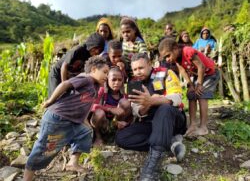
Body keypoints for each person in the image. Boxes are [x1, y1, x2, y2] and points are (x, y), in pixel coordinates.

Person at [23, 56, 109, 181]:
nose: (106, 76)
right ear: (94, 69)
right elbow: (65, 84)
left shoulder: (95, 86)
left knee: (85, 132)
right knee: (44, 148)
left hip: (70, 121)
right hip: (57, 119)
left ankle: (72, 163)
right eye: (105, 72)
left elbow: (83, 107)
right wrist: (50, 100)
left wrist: (86, 123)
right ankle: (27, 177)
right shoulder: (86, 79)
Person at [115, 53, 187, 181]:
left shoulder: (166, 73)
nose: (138, 72)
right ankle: (168, 142)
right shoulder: (133, 84)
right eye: (135, 69)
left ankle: (152, 168)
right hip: (151, 122)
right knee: (121, 137)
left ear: (149, 64)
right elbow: (137, 112)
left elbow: (177, 98)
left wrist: (153, 100)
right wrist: (146, 105)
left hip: (174, 119)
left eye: (141, 68)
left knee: (164, 109)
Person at [158, 38, 220, 137]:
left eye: (168, 55)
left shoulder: (187, 51)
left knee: (202, 95)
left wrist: (199, 85)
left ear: (175, 49)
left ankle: (203, 127)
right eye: (165, 58)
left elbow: (201, 67)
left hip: (210, 73)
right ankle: (193, 125)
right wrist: (190, 85)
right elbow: (182, 71)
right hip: (199, 75)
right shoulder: (177, 59)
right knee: (191, 95)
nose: (167, 59)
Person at [48, 33, 105, 97]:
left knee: (65, 98)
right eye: (96, 48)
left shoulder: (91, 55)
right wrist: (64, 86)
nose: (97, 51)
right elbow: (64, 66)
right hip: (58, 73)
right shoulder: (78, 50)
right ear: (91, 44)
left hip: (69, 75)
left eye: (99, 50)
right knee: (55, 96)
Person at [91, 67, 131, 146]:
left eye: (120, 80)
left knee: (125, 102)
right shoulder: (102, 90)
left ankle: (117, 135)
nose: (117, 83)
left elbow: (130, 111)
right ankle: (98, 137)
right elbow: (92, 106)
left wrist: (125, 123)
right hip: (102, 122)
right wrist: (110, 109)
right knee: (99, 113)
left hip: (116, 122)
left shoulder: (124, 93)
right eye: (114, 80)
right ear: (107, 80)